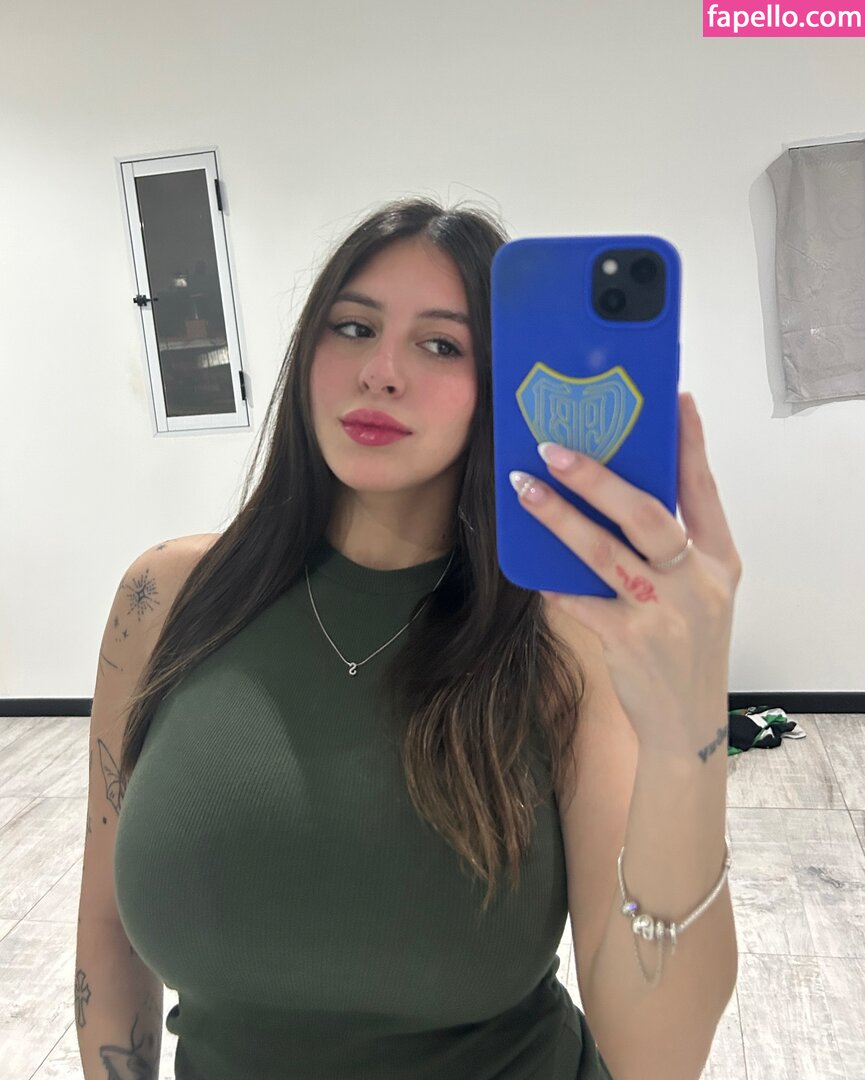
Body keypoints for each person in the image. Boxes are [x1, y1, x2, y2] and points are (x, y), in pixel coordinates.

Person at [78, 197, 622, 1079]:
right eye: (354, 327)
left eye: (440, 345)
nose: (380, 372)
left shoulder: (554, 631)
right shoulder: (166, 599)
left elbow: (637, 979)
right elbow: (106, 933)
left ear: (501, 383)